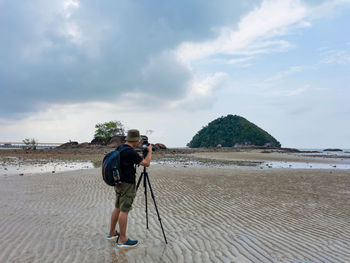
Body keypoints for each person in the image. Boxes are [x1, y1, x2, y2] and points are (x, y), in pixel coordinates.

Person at [106, 129, 152, 248]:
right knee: (124, 210)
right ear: (136, 140)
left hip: (118, 182)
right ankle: (123, 239)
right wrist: (150, 151)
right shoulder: (130, 153)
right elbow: (146, 163)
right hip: (127, 183)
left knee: (117, 207)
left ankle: (111, 233)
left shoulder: (120, 148)